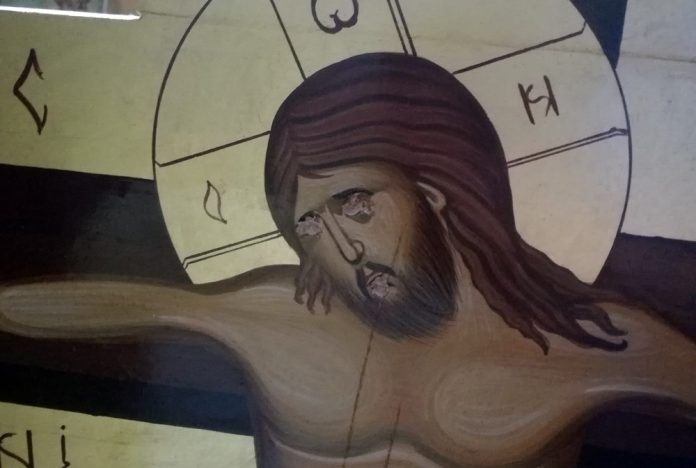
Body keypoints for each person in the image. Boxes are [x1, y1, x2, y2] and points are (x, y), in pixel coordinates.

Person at [1, 53, 695, 468]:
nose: (342, 249)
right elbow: (95, 306)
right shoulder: (279, 319)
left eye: (356, 204)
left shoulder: (582, 344)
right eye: (310, 225)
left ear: (433, 193)